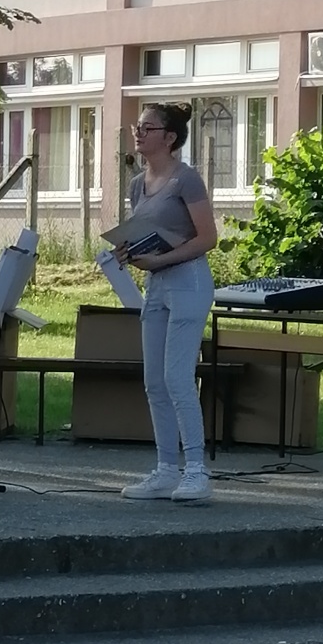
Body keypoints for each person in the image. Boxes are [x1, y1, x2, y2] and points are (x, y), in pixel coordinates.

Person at [117, 102, 217, 504]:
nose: (138, 133)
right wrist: (129, 250)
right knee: (154, 381)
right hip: (156, 285)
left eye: (147, 128)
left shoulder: (186, 179)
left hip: (188, 281)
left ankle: (196, 470)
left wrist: (160, 259)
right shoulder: (137, 184)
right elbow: (145, 232)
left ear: (170, 137)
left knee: (177, 378)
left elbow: (208, 238)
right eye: (137, 127)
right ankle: (165, 469)